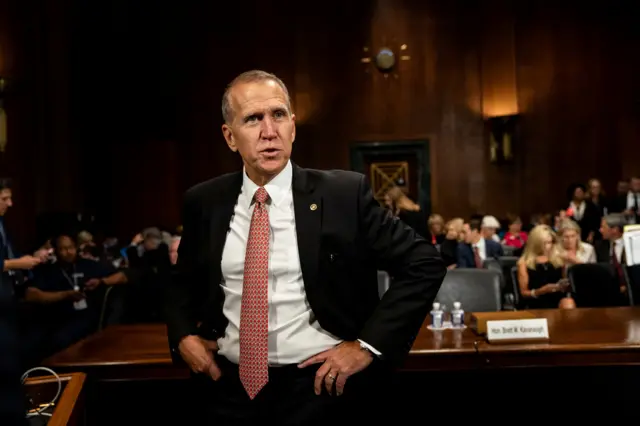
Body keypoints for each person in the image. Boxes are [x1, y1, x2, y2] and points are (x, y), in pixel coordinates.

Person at [165, 70, 446, 425]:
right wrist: (183, 336)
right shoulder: (204, 201)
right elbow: (180, 281)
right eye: (253, 119)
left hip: (320, 389)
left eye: (278, 115)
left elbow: (424, 264)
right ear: (229, 136)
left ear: (293, 127)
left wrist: (367, 346)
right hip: (226, 388)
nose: (270, 132)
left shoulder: (343, 195)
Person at [0, 178, 42, 425]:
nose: (10, 203)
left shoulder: (4, 225)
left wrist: (28, 261)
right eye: (4, 198)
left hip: (8, 304)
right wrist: (17, 264)